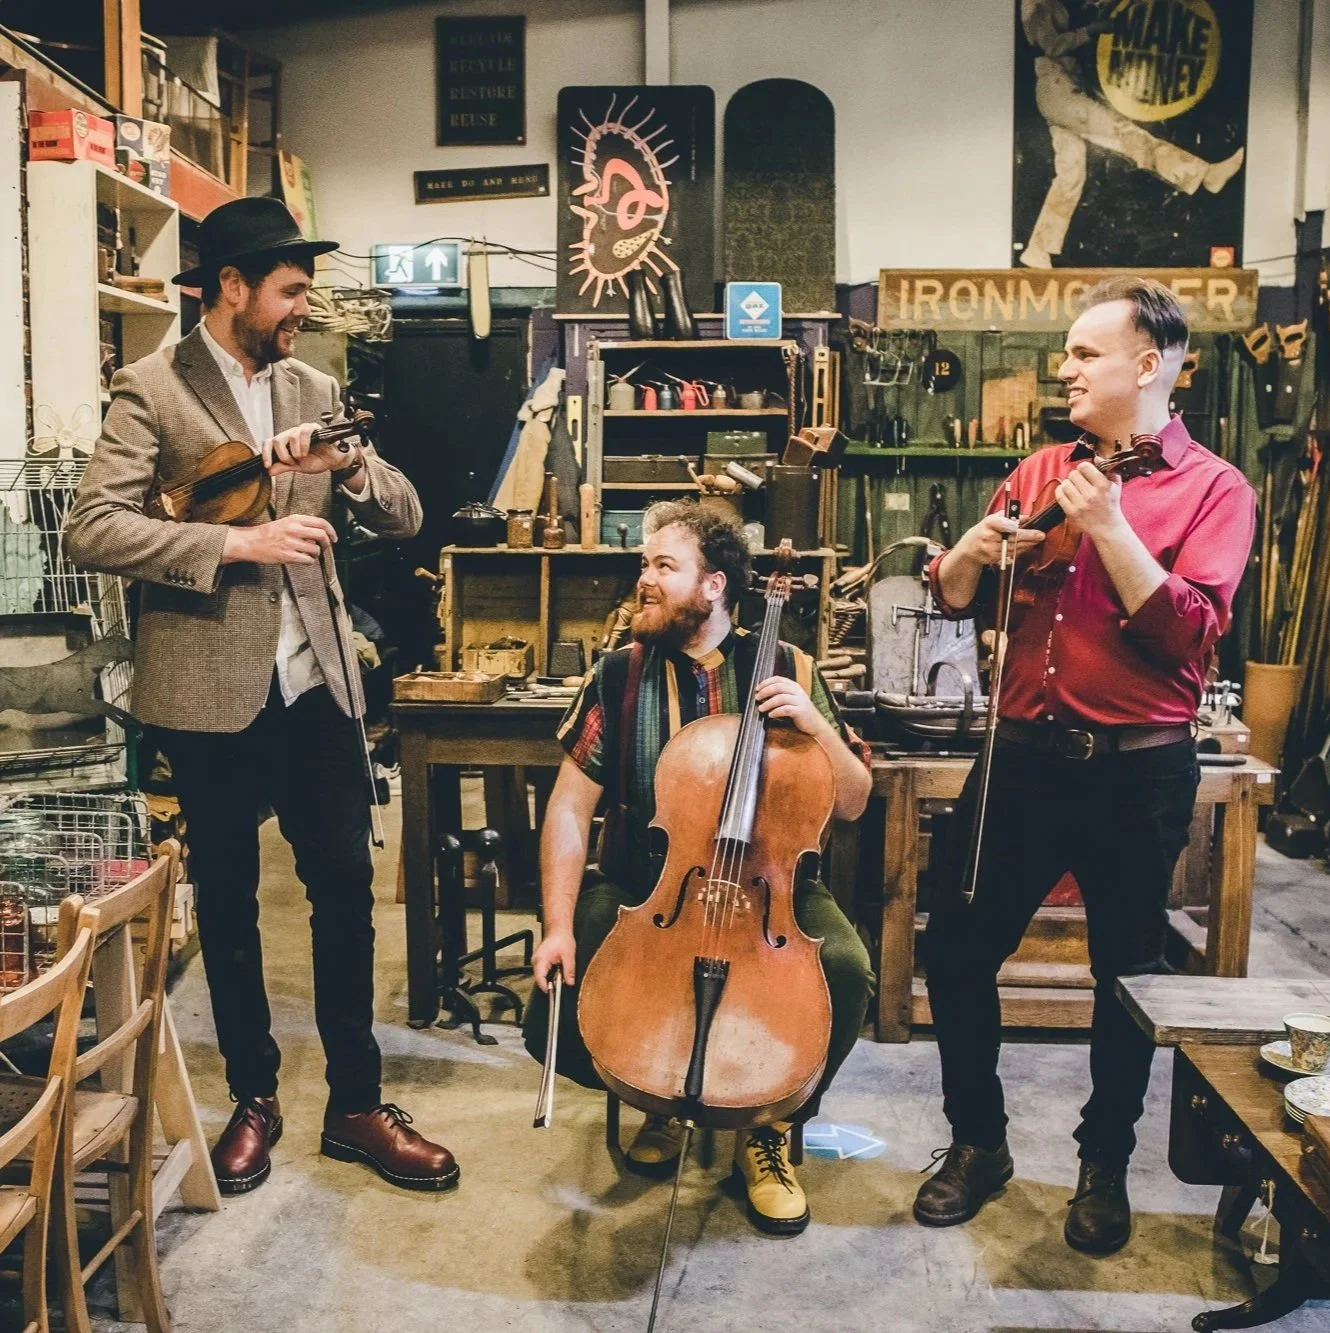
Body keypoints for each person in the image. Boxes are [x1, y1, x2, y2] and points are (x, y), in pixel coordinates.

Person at [65, 197, 459, 1196]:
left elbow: (407, 514)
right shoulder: (151, 389)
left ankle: (357, 1104)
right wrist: (236, 542)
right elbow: (94, 530)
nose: (303, 305)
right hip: (207, 688)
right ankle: (253, 1095)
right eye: (289, 289)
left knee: (343, 892)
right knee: (233, 905)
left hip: (316, 682)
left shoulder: (311, 383)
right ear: (232, 287)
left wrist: (354, 464)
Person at [914, 276, 1254, 1253]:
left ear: (1148, 365)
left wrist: (1108, 525)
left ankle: (1103, 1163)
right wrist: (965, 558)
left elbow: (1191, 633)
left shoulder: (1215, 490)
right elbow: (953, 599)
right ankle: (977, 1144)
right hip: (1016, 762)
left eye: (1081, 353)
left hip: (1134, 776)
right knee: (957, 951)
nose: (1062, 368)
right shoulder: (1033, 471)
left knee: (1124, 977)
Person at [522, 502, 874, 1236]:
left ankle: (767, 1120)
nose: (642, 578)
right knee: (580, 965)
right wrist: (555, 926)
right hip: (649, 882)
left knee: (844, 966)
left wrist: (813, 725)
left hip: (772, 882)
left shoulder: (789, 666)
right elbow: (565, 810)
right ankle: (663, 1094)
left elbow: (852, 803)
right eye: (643, 564)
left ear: (713, 586)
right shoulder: (617, 674)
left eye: (661, 565)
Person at [1018, 0, 1244, 268]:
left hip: (1060, 86)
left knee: (1071, 173)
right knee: (1123, 133)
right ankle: (1203, 175)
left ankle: (1038, 250)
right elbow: (1052, 45)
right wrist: (1091, 30)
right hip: (1058, 87)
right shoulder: (1037, 3)